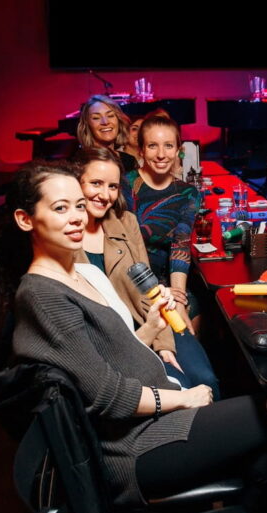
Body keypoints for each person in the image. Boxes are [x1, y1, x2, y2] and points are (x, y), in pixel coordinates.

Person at [0, 161, 267, 507]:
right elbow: (106, 394)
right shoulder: (42, 295)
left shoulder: (83, 272)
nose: (76, 217)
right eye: (60, 208)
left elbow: (106, 357)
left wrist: (150, 326)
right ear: (25, 219)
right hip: (135, 446)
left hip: (158, 418)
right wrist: (184, 398)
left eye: (78, 205)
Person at [73, 147, 220, 398]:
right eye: (95, 183)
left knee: (205, 380)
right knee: (179, 384)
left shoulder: (126, 222)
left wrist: (163, 343)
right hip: (113, 342)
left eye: (112, 186)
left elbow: (149, 291)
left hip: (151, 319)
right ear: (75, 184)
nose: (104, 195)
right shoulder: (64, 236)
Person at [123, 112, 201, 334]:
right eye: (152, 146)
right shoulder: (125, 186)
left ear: (178, 150)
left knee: (190, 314)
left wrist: (178, 295)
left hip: (166, 279)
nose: (161, 154)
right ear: (141, 150)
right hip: (130, 278)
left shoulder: (188, 193)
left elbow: (181, 244)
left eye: (168, 146)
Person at [76, 94, 137, 173]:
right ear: (87, 125)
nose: (105, 122)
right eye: (96, 118)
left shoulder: (129, 161)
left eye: (110, 116)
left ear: (118, 120)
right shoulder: (80, 162)